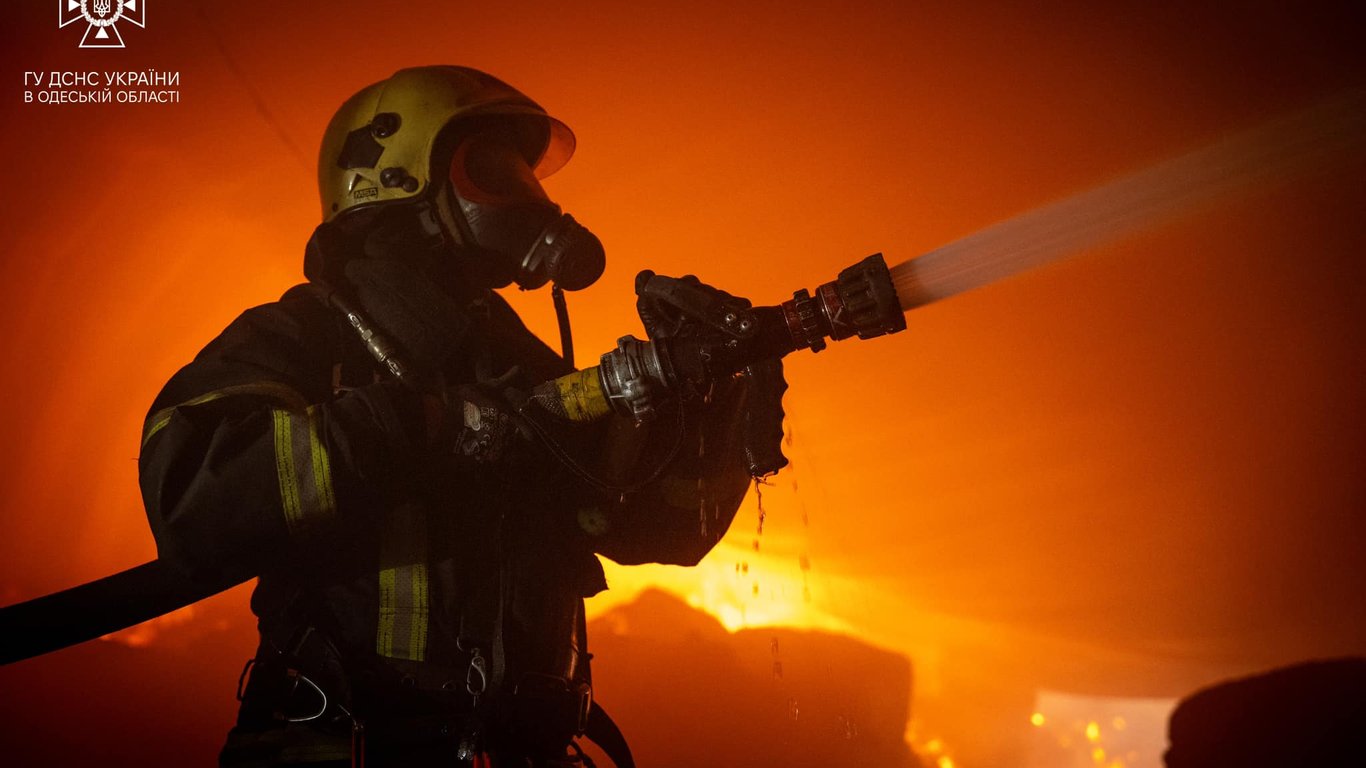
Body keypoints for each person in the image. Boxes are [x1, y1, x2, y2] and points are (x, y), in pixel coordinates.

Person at [138, 65, 770, 767]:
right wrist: (416, 426)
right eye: (493, 171)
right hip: (342, 750)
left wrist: (705, 407)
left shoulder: (511, 364)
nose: (527, 200)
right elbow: (191, 492)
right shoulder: (307, 339)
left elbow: (657, 528)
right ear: (397, 178)